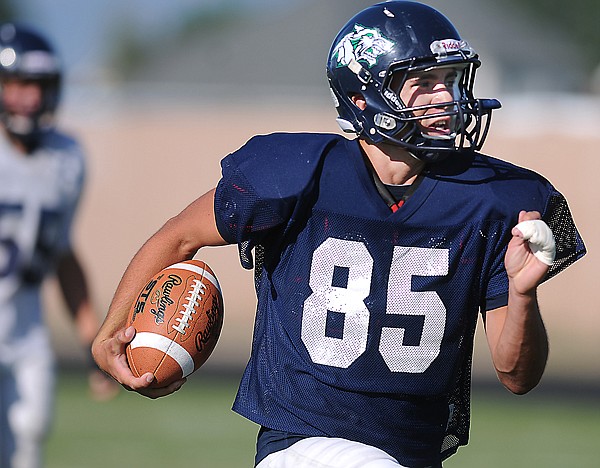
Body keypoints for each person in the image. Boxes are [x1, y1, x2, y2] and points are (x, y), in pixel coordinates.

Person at [92, 2, 586, 467]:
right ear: (362, 97)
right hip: (304, 443)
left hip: (412, 450)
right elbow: (177, 238)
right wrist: (111, 330)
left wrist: (522, 295)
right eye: (425, 82)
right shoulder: (295, 174)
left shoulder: (494, 198)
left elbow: (517, 376)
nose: (447, 99)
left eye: (452, 82)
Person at [0, 23, 118, 468]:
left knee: (30, 440)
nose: (29, 98)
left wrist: (93, 338)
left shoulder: (66, 158)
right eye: (17, 84)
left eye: (38, 85)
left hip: (26, 331)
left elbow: (62, 253)